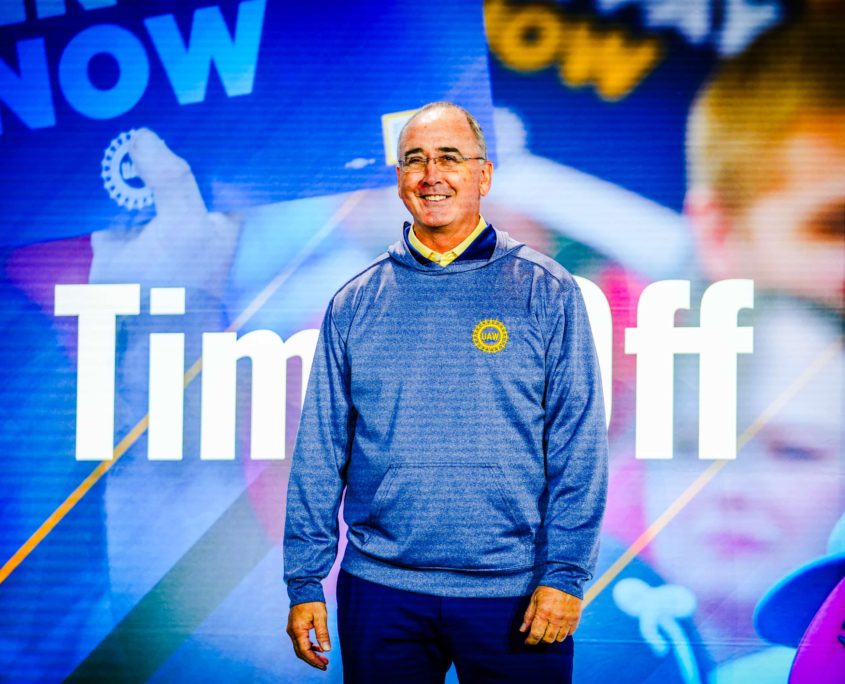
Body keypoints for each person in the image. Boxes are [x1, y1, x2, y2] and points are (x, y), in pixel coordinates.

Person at [283, 101, 608, 682]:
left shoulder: (547, 290)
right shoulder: (355, 301)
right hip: (381, 590)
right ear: (399, 179)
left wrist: (564, 574)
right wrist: (305, 581)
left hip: (517, 592)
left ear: (484, 174)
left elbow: (578, 443)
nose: (431, 175)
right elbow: (319, 452)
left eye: (450, 158)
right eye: (415, 160)